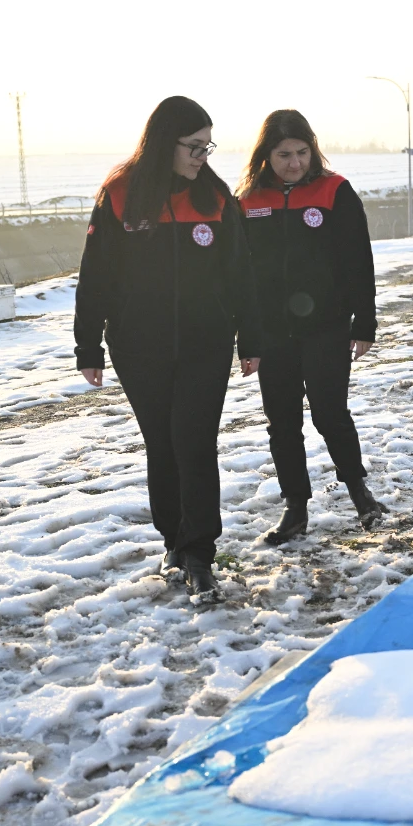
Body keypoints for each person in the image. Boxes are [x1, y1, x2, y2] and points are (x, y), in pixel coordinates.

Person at [73, 95, 262, 602]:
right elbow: (96, 276)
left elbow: (241, 274)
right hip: (138, 345)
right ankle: (172, 540)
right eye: (194, 146)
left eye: (208, 146)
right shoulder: (120, 193)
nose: (203, 155)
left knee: (194, 441)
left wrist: (252, 336)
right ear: (165, 142)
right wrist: (87, 344)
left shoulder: (216, 196)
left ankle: (201, 550)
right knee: (162, 442)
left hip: (206, 342)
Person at [236, 109, 384, 544]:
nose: (295, 163)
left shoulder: (334, 191)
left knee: (330, 414)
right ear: (266, 155)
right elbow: (240, 276)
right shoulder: (248, 200)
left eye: (302, 152)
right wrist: (249, 337)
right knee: (281, 423)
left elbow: (359, 261)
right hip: (273, 332)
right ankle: (295, 508)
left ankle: (361, 495)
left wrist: (365, 322)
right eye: (284, 155)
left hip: (327, 327)